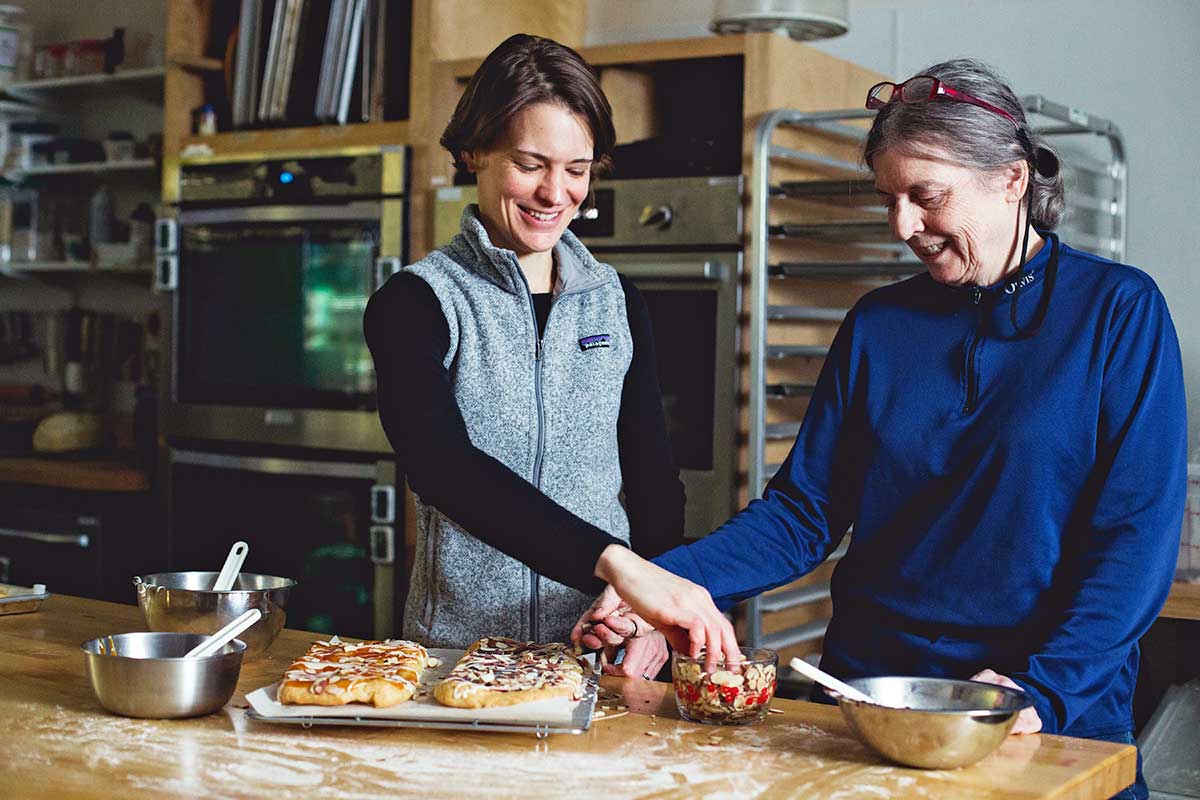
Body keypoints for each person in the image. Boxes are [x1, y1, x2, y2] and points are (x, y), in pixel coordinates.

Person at [574, 59, 1183, 800]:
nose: (904, 227)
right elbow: (801, 514)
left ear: (1013, 179)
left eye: (926, 196)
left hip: (1046, 713)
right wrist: (663, 587)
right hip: (870, 704)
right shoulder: (879, 324)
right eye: (889, 200)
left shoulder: (1119, 314)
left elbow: (1134, 544)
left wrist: (1042, 690)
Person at [363, 33, 685, 680]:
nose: (554, 193)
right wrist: (613, 561)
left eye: (577, 168)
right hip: (458, 659)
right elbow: (445, 469)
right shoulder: (418, 302)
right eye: (530, 163)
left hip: (600, 657)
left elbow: (653, 479)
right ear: (474, 151)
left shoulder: (617, 302)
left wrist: (649, 605)